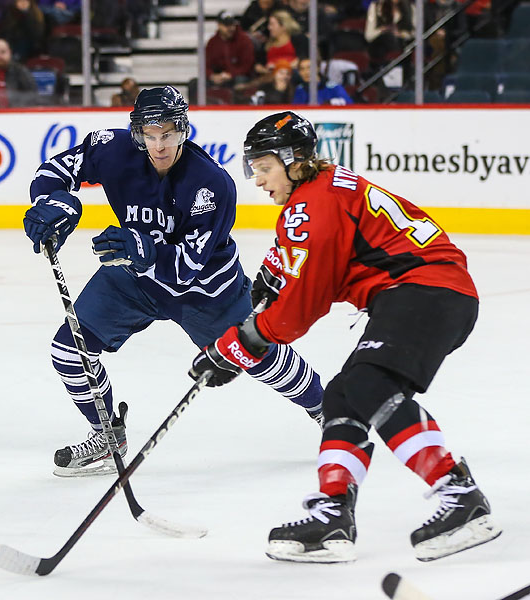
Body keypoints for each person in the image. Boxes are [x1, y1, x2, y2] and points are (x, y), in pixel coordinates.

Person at [189, 111, 502, 563]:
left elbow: (300, 310)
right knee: (342, 395)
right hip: (424, 292)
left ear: (294, 161)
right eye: (252, 168)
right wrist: (264, 286)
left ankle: (461, 495)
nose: (257, 179)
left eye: (263, 167)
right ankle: (332, 515)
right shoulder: (324, 188)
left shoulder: (311, 204)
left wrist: (238, 345)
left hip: (426, 290)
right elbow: (294, 256)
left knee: (369, 386)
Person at [23, 87, 324, 477]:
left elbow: (186, 271)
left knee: (261, 357)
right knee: (70, 351)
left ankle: (326, 409)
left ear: (182, 129)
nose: (158, 145)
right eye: (149, 135)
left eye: (166, 133)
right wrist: (52, 201)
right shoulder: (112, 149)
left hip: (206, 290)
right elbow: (56, 170)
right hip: (132, 276)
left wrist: (140, 248)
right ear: (137, 133)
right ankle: (107, 436)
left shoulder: (210, 184)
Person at [0, 38, 38, 107]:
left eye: (3, 52)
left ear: (10, 53)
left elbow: (33, 94)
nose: (0, 56)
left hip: (13, 114)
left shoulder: (21, 71)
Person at [205, 12, 254, 88]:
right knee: (195, 83)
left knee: (240, 81)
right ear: (219, 25)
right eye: (226, 25)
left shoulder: (244, 40)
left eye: (232, 25)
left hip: (236, 77)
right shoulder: (212, 42)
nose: (230, 28)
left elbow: (247, 66)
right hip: (218, 77)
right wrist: (212, 76)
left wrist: (231, 74)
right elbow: (206, 65)